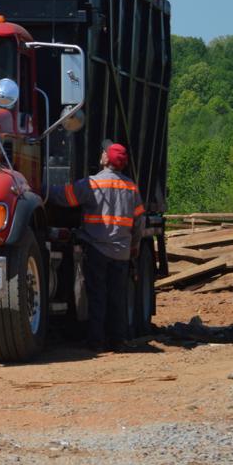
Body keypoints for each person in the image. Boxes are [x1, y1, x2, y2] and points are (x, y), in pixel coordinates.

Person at [50, 141, 146, 352]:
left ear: (106, 159)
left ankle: (96, 341)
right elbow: (139, 222)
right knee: (117, 297)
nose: (102, 154)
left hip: (97, 250)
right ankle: (118, 341)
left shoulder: (92, 184)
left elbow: (64, 197)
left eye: (104, 153)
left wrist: (37, 188)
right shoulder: (131, 187)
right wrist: (134, 246)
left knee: (97, 296)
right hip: (121, 252)